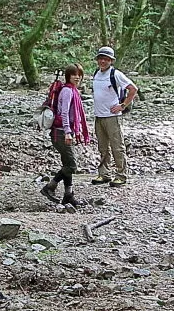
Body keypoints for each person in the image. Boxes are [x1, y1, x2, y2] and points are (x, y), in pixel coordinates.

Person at [41, 63, 90, 207]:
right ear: (68, 76)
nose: (77, 77)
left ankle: (68, 194)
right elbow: (64, 113)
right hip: (61, 133)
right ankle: (50, 187)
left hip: (64, 133)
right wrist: (69, 132)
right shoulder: (68, 91)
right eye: (74, 74)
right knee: (72, 166)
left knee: (67, 164)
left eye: (79, 75)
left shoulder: (73, 90)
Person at [90, 46, 138, 187]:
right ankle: (104, 174)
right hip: (99, 116)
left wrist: (122, 105)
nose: (103, 61)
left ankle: (121, 175)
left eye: (106, 59)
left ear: (111, 61)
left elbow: (133, 89)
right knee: (103, 147)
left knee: (117, 146)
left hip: (113, 116)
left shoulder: (116, 74)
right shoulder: (96, 74)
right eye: (101, 58)